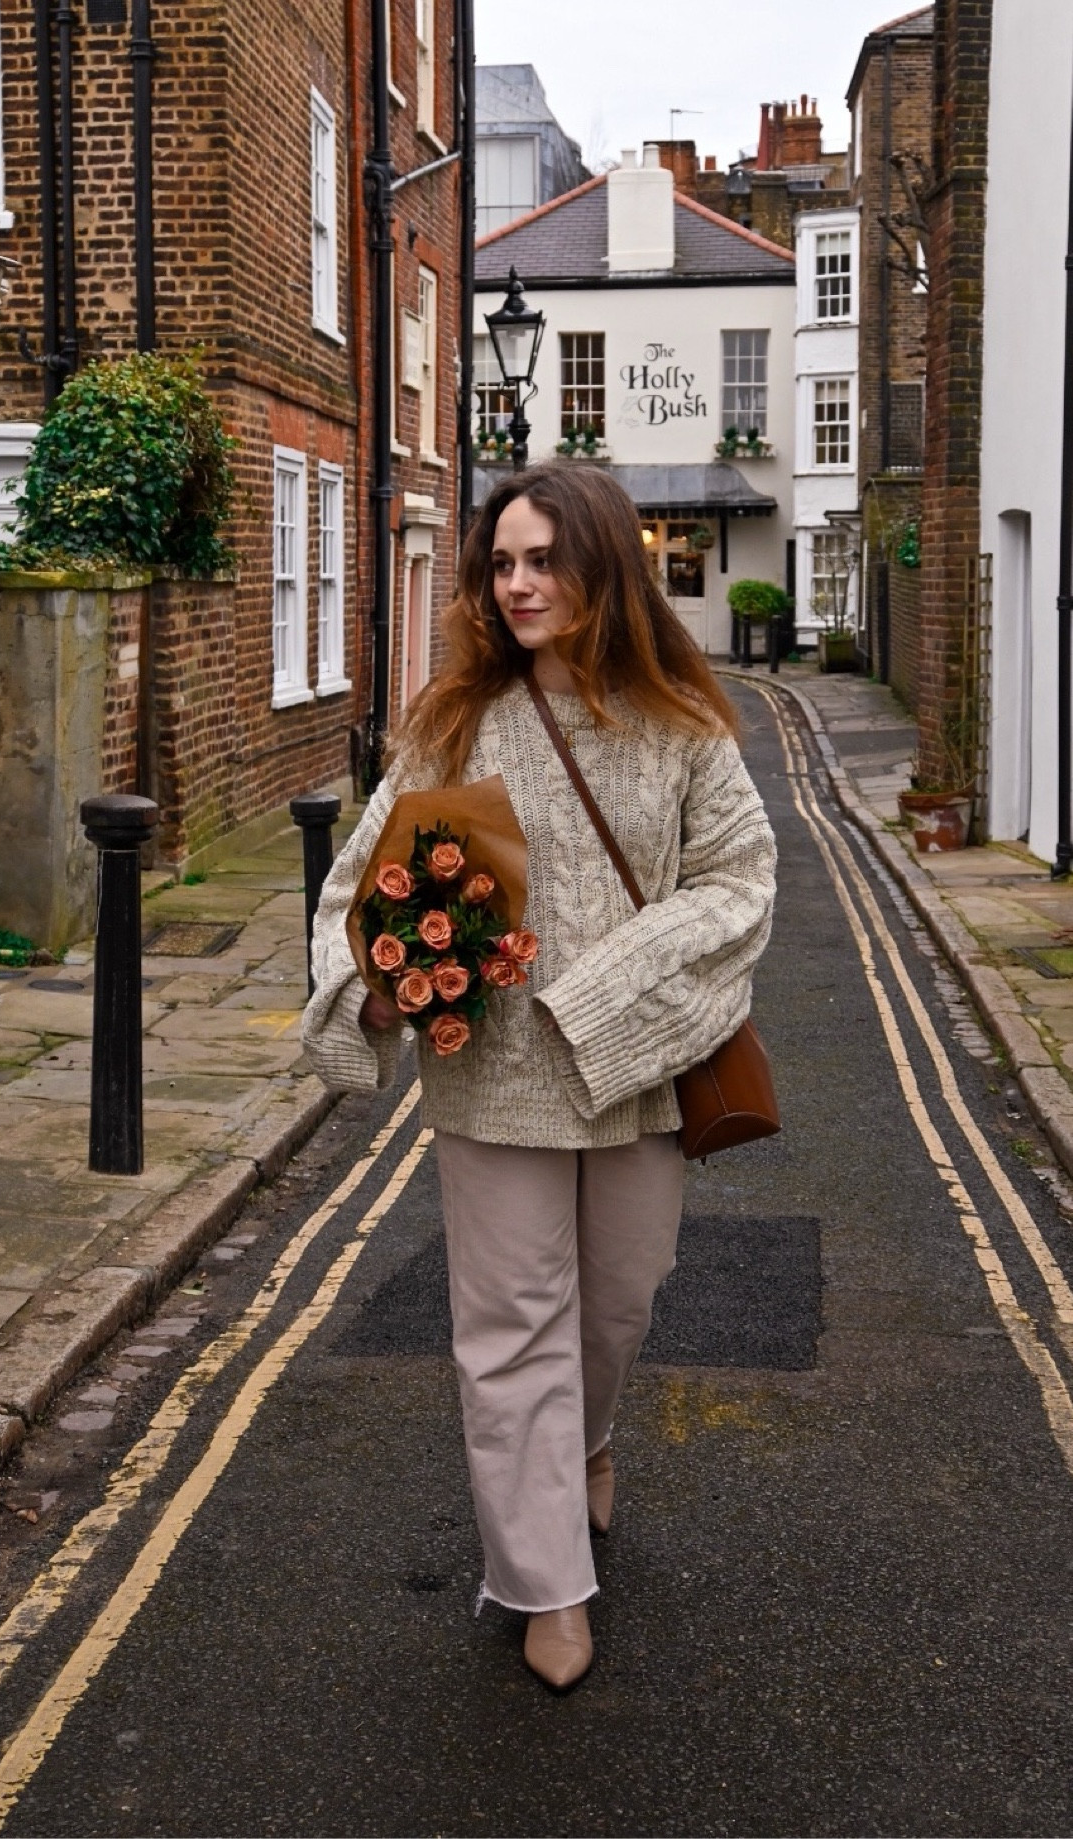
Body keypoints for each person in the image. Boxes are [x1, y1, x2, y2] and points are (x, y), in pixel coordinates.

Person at [301, 462, 776, 1691]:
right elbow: (358, 887)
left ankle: (592, 1439)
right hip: (493, 1080)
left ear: (602, 567)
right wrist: (378, 980)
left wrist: (603, 995)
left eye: (542, 561)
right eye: (501, 564)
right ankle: (544, 1583)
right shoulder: (451, 724)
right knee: (511, 1329)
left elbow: (739, 884)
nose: (516, 584)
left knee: (619, 1304)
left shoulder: (681, 725)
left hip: (636, 1072)